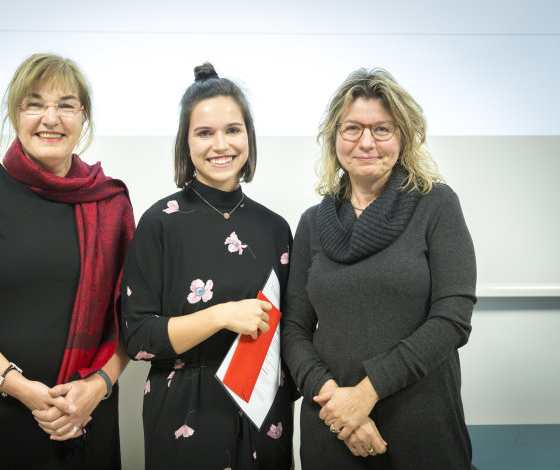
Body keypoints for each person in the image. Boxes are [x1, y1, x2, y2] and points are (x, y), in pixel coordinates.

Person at [0, 53, 135, 469]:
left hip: (83, 421)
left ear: (83, 118)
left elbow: (132, 319)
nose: (50, 118)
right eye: (34, 103)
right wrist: (21, 388)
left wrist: (97, 386)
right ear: (15, 113)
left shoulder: (111, 203)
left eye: (66, 105)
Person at [282, 68, 476, 470]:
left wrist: (366, 394)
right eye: (352, 128)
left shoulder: (436, 205)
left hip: (422, 426)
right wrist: (339, 405)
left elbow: (452, 318)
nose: (366, 142)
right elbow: (294, 329)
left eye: (382, 129)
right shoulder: (311, 223)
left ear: (402, 137)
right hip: (330, 424)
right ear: (334, 137)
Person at [120, 63, 296, 470]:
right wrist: (219, 315)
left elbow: (291, 332)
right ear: (186, 143)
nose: (221, 144)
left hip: (265, 412)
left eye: (233, 130)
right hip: (185, 411)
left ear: (249, 137)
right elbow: (138, 337)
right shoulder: (160, 222)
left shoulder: (275, 228)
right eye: (204, 133)